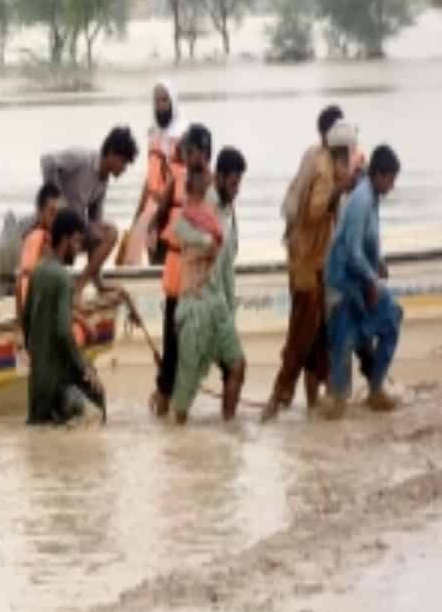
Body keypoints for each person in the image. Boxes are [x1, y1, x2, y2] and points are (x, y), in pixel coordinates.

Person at [262, 122, 358, 421]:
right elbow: (315, 210)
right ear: (342, 150)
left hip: (306, 262)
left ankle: (314, 409)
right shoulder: (325, 171)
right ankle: (277, 399)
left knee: (317, 339)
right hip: (307, 265)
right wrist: (341, 189)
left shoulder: (314, 156)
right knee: (302, 337)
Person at [319, 145, 403, 419]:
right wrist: (371, 280)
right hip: (343, 283)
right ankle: (337, 402)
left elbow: (366, 244)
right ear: (379, 175)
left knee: (392, 318)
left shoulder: (374, 197)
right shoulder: (361, 201)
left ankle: (375, 389)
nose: (392, 187)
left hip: (360, 279)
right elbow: (352, 252)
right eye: (390, 180)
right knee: (343, 342)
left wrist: (377, 262)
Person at [169, 149, 249, 424]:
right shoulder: (205, 203)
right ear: (219, 177)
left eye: (240, 184)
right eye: (233, 183)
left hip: (219, 307)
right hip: (196, 305)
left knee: (238, 366)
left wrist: (230, 310)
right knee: (184, 395)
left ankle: (228, 429)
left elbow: (227, 266)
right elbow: (179, 228)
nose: (237, 190)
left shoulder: (228, 210)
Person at [21, 207, 107, 426]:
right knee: (97, 402)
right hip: (58, 384)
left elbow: (26, 321)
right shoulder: (62, 278)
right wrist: (84, 368)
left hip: (37, 383)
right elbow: (63, 330)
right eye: (77, 243)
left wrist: (39, 361)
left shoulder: (38, 272)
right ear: (66, 240)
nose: (78, 251)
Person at [151, 123, 213, 413]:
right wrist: (152, 234)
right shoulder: (176, 179)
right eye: (185, 151)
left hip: (200, 277)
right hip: (176, 270)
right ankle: (166, 401)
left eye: (192, 151)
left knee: (192, 345)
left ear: (204, 153)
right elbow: (160, 214)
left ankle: (179, 404)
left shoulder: (214, 188)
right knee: (172, 345)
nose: (186, 157)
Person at [40, 126, 139, 295]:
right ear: (112, 153)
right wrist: (58, 202)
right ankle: (70, 285)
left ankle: (86, 284)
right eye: (123, 162)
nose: (124, 169)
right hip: (56, 230)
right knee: (105, 231)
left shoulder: (103, 180)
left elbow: (95, 219)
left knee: (110, 232)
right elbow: (47, 161)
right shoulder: (82, 158)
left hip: (74, 232)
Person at [123, 81, 183, 266]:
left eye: (164, 100)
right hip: (153, 205)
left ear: (173, 102)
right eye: (156, 101)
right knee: (153, 259)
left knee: (173, 258)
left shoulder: (183, 133)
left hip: (174, 206)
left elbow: (179, 176)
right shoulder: (153, 135)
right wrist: (138, 215)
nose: (160, 106)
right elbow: (150, 179)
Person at [281, 105, 344, 243]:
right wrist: (339, 189)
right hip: (315, 246)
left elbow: (293, 193)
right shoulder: (325, 164)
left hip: (298, 238)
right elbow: (316, 210)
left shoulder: (311, 153)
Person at [16, 182, 63, 320]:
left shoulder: (40, 237)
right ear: (40, 212)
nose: (56, 219)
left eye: (59, 214)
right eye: (52, 213)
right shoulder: (40, 240)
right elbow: (22, 281)